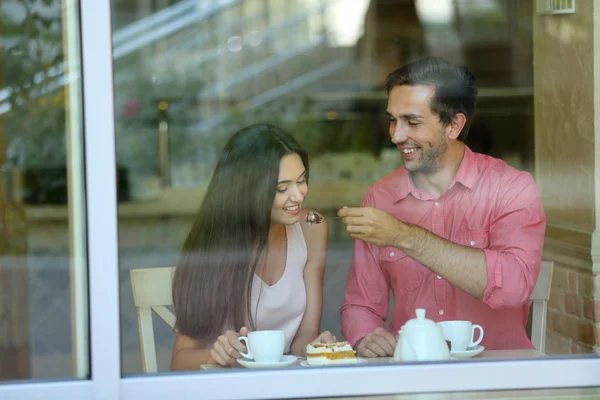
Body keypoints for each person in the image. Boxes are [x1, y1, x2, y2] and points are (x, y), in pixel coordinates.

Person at [338, 56, 546, 357]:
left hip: (499, 377)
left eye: (412, 121)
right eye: (393, 119)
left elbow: (514, 286)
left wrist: (403, 236)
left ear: (454, 125)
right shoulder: (379, 197)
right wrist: (366, 336)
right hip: (413, 375)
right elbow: (361, 305)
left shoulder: (511, 189)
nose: (396, 135)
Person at [170, 123, 334, 370]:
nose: (299, 195)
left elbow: (303, 339)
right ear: (248, 191)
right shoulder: (214, 246)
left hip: (286, 389)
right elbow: (179, 362)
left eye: (301, 181)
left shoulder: (313, 227)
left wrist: (316, 347)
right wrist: (214, 354)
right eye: (282, 188)